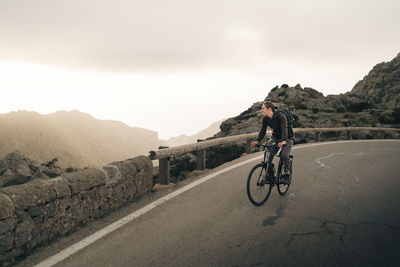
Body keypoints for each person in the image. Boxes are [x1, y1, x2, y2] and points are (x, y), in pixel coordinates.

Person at [251, 101, 294, 179]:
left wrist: (283, 140)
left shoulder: (281, 116)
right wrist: (257, 141)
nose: (262, 110)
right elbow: (263, 131)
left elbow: (284, 129)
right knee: (268, 153)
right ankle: (269, 173)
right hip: (275, 137)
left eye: (263, 108)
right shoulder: (265, 118)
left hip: (287, 138)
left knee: (283, 155)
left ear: (269, 109)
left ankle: (287, 171)